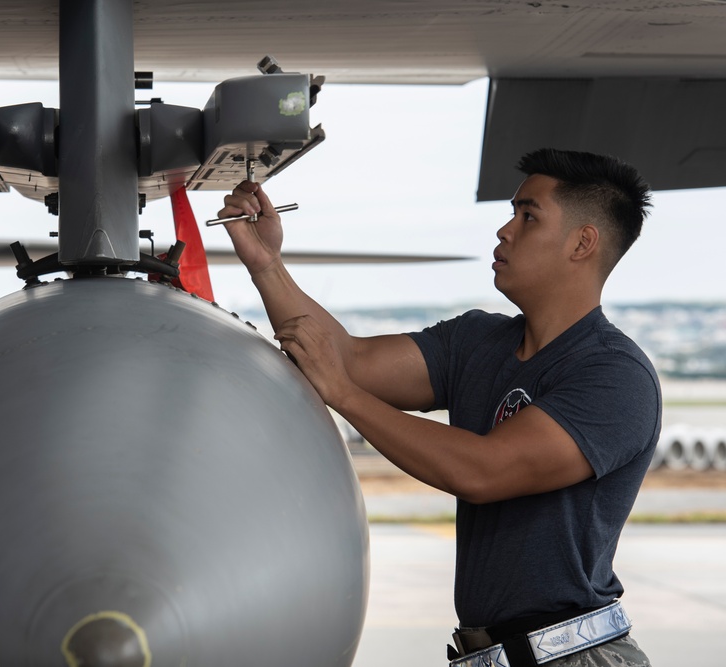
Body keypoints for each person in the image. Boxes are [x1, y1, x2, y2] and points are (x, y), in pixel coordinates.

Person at [217, 148, 660, 666]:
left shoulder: (614, 376)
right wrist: (267, 264)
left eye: (528, 215)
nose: (505, 231)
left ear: (583, 243)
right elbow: (350, 360)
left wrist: (343, 395)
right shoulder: (478, 341)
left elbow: (483, 469)